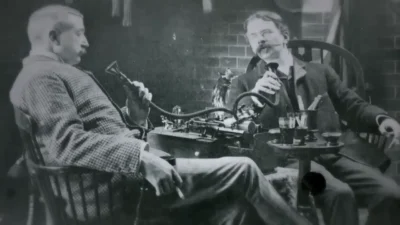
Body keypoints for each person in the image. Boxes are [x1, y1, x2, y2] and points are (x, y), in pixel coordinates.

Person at [9, 4, 313, 225]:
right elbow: (67, 143)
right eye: (79, 34)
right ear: (53, 37)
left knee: (235, 209)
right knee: (244, 169)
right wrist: (142, 159)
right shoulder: (42, 77)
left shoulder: (52, 73)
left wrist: (134, 115)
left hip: (121, 179)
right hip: (117, 190)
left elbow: (89, 132)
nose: (87, 41)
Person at [226, 10, 400, 225]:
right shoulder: (244, 83)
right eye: (253, 36)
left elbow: (352, 105)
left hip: (334, 151)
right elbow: (237, 125)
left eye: (266, 32)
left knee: (390, 194)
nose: (260, 39)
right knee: (340, 194)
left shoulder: (320, 72)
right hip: (287, 161)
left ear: (285, 36)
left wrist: (382, 120)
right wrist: (256, 98)